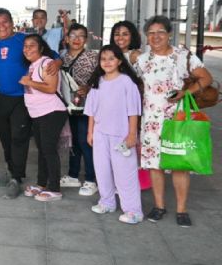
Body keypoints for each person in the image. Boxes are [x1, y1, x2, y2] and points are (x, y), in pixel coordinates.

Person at [135, 15, 212, 227]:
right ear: (146, 37)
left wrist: (186, 92)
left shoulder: (182, 56)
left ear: (169, 34)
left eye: (160, 32)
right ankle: (159, 206)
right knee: (155, 165)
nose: (156, 36)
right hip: (151, 120)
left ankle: (181, 209)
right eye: (151, 33)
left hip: (177, 118)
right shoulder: (142, 60)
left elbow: (206, 78)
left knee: (179, 165)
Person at [0, 9, 60, 199]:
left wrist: (58, 62)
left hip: (23, 98)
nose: (1, 26)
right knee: (4, 137)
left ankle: (17, 178)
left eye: (5, 22)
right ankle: (11, 171)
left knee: (19, 138)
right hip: (3, 97)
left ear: (12, 23)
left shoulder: (24, 40)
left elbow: (52, 54)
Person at [85, 45, 144, 224]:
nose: (107, 62)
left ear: (119, 60)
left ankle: (133, 210)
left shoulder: (127, 82)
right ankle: (107, 202)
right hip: (100, 134)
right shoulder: (97, 82)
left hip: (121, 135)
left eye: (111, 58)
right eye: (103, 59)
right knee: (102, 170)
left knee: (125, 173)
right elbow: (91, 111)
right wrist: (90, 132)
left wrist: (132, 134)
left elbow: (133, 111)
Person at [19, 34, 68, 202]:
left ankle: (54, 188)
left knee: (48, 149)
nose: (27, 49)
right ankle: (41, 183)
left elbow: (51, 88)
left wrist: (29, 82)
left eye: (32, 46)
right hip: (38, 113)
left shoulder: (47, 63)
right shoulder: (34, 65)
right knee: (42, 150)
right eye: (25, 46)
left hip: (51, 112)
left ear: (41, 48)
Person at [109, 20, 150, 191]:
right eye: (117, 34)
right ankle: (116, 181)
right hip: (112, 106)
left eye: (125, 34)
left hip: (130, 107)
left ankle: (131, 183)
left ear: (132, 36)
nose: (120, 37)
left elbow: (147, 81)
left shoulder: (135, 55)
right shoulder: (110, 54)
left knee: (130, 143)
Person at [59, 23, 99, 197]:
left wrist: (89, 87)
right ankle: (73, 175)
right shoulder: (62, 57)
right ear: (67, 39)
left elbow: (102, 78)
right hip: (69, 106)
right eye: (73, 35)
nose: (76, 39)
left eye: (81, 36)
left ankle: (91, 179)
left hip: (87, 107)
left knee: (86, 141)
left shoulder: (93, 56)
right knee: (73, 141)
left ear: (86, 39)